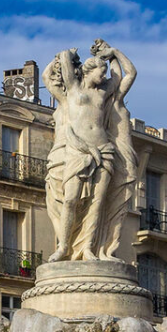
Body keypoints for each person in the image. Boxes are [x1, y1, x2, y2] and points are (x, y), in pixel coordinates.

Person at [42, 40, 137, 261]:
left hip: (104, 150)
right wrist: (64, 56)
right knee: (71, 200)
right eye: (100, 72)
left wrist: (113, 54)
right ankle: (64, 247)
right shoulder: (72, 91)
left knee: (97, 203)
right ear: (88, 71)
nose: (103, 77)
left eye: (105, 72)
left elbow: (130, 73)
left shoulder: (104, 93)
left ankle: (88, 248)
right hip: (77, 150)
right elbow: (50, 74)